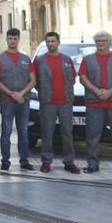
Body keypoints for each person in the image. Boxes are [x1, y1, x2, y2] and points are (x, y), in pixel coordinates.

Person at [78, 31, 112, 177]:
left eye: (103, 41)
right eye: (98, 41)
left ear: (110, 42)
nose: (100, 43)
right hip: (94, 104)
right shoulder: (87, 59)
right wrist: (97, 91)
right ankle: (92, 164)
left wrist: (109, 92)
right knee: (92, 135)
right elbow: (83, 78)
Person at [30, 32, 80, 174]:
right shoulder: (39, 61)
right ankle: (46, 161)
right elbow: (34, 81)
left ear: (58, 42)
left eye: (53, 41)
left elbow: (73, 79)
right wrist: (44, 92)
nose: (50, 44)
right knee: (47, 133)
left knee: (67, 133)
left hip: (65, 102)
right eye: (48, 41)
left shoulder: (67, 59)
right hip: (48, 102)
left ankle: (69, 162)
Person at [0, 28, 36, 172]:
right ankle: (5, 162)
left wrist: (22, 94)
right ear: (7, 39)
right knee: (6, 132)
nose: (12, 41)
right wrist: (12, 94)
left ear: (19, 39)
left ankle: (24, 161)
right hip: (7, 102)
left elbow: (33, 81)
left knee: (23, 131)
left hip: (23, 102)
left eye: (15, 38)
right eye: (10, 38)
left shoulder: (26, 59)